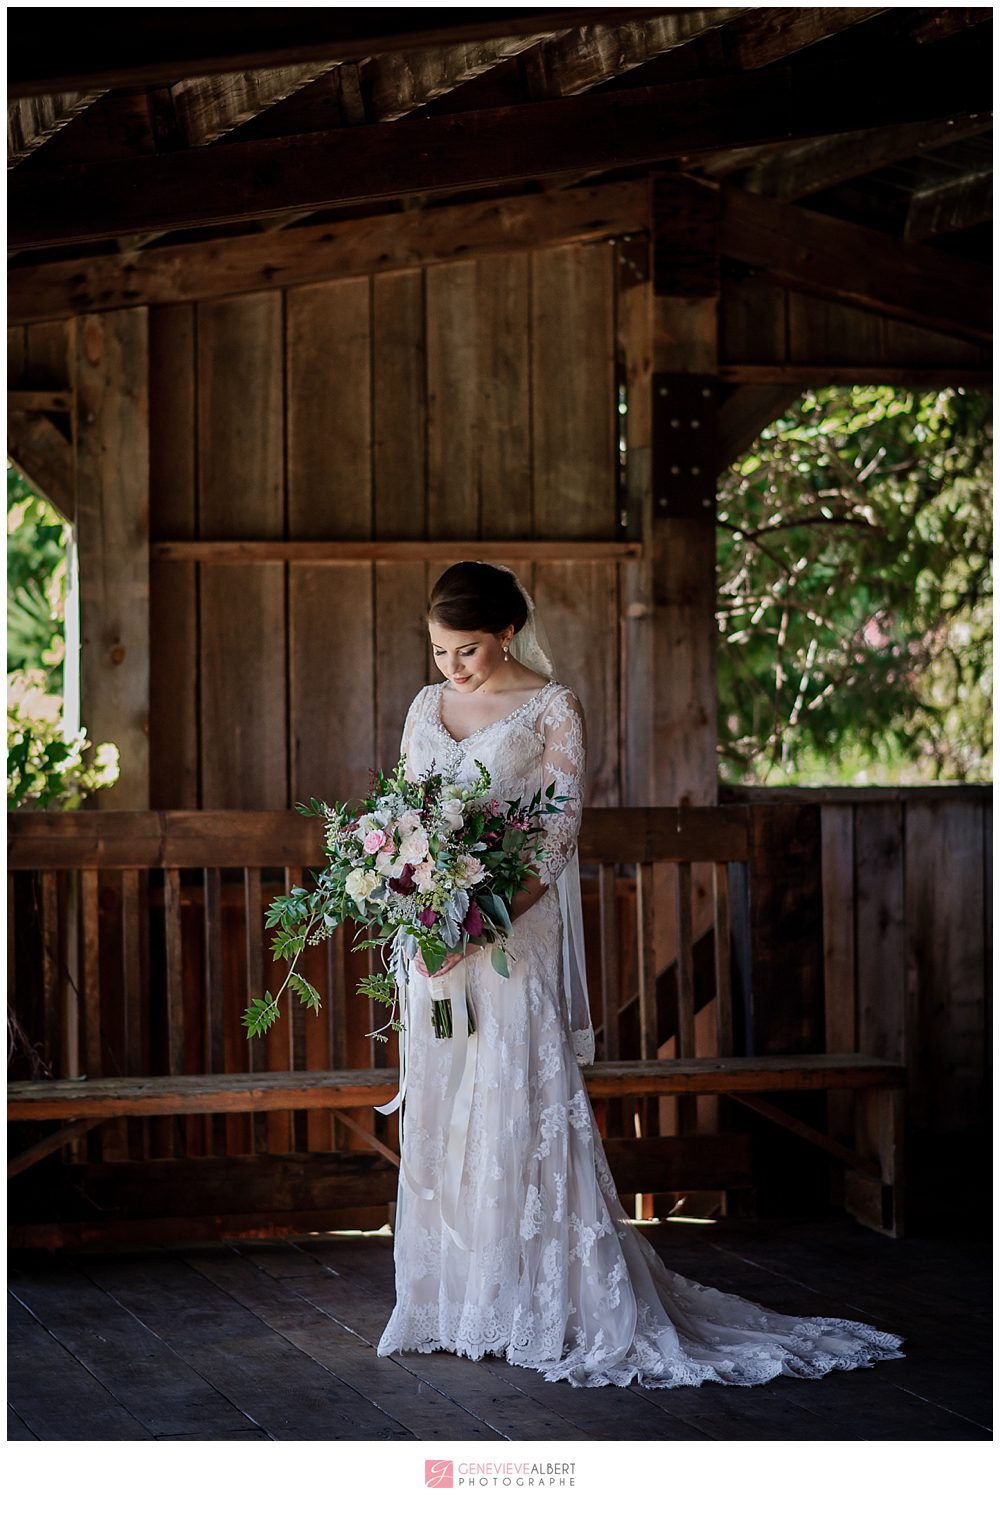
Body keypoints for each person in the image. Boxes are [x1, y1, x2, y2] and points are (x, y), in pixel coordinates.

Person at [375, 560, 906, 1389]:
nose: (451, 667)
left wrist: (476, 923)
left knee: (515, 1097)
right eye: (439, 650)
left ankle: (540, 1301)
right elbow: (405, 818)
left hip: (513, 932)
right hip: (437, 948)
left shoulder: (555, 708)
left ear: (507, 631)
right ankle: (456, 1300)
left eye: (467, 650)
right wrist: (420, 914)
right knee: (450, 1107)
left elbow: (552, 847)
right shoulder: (422, 707)